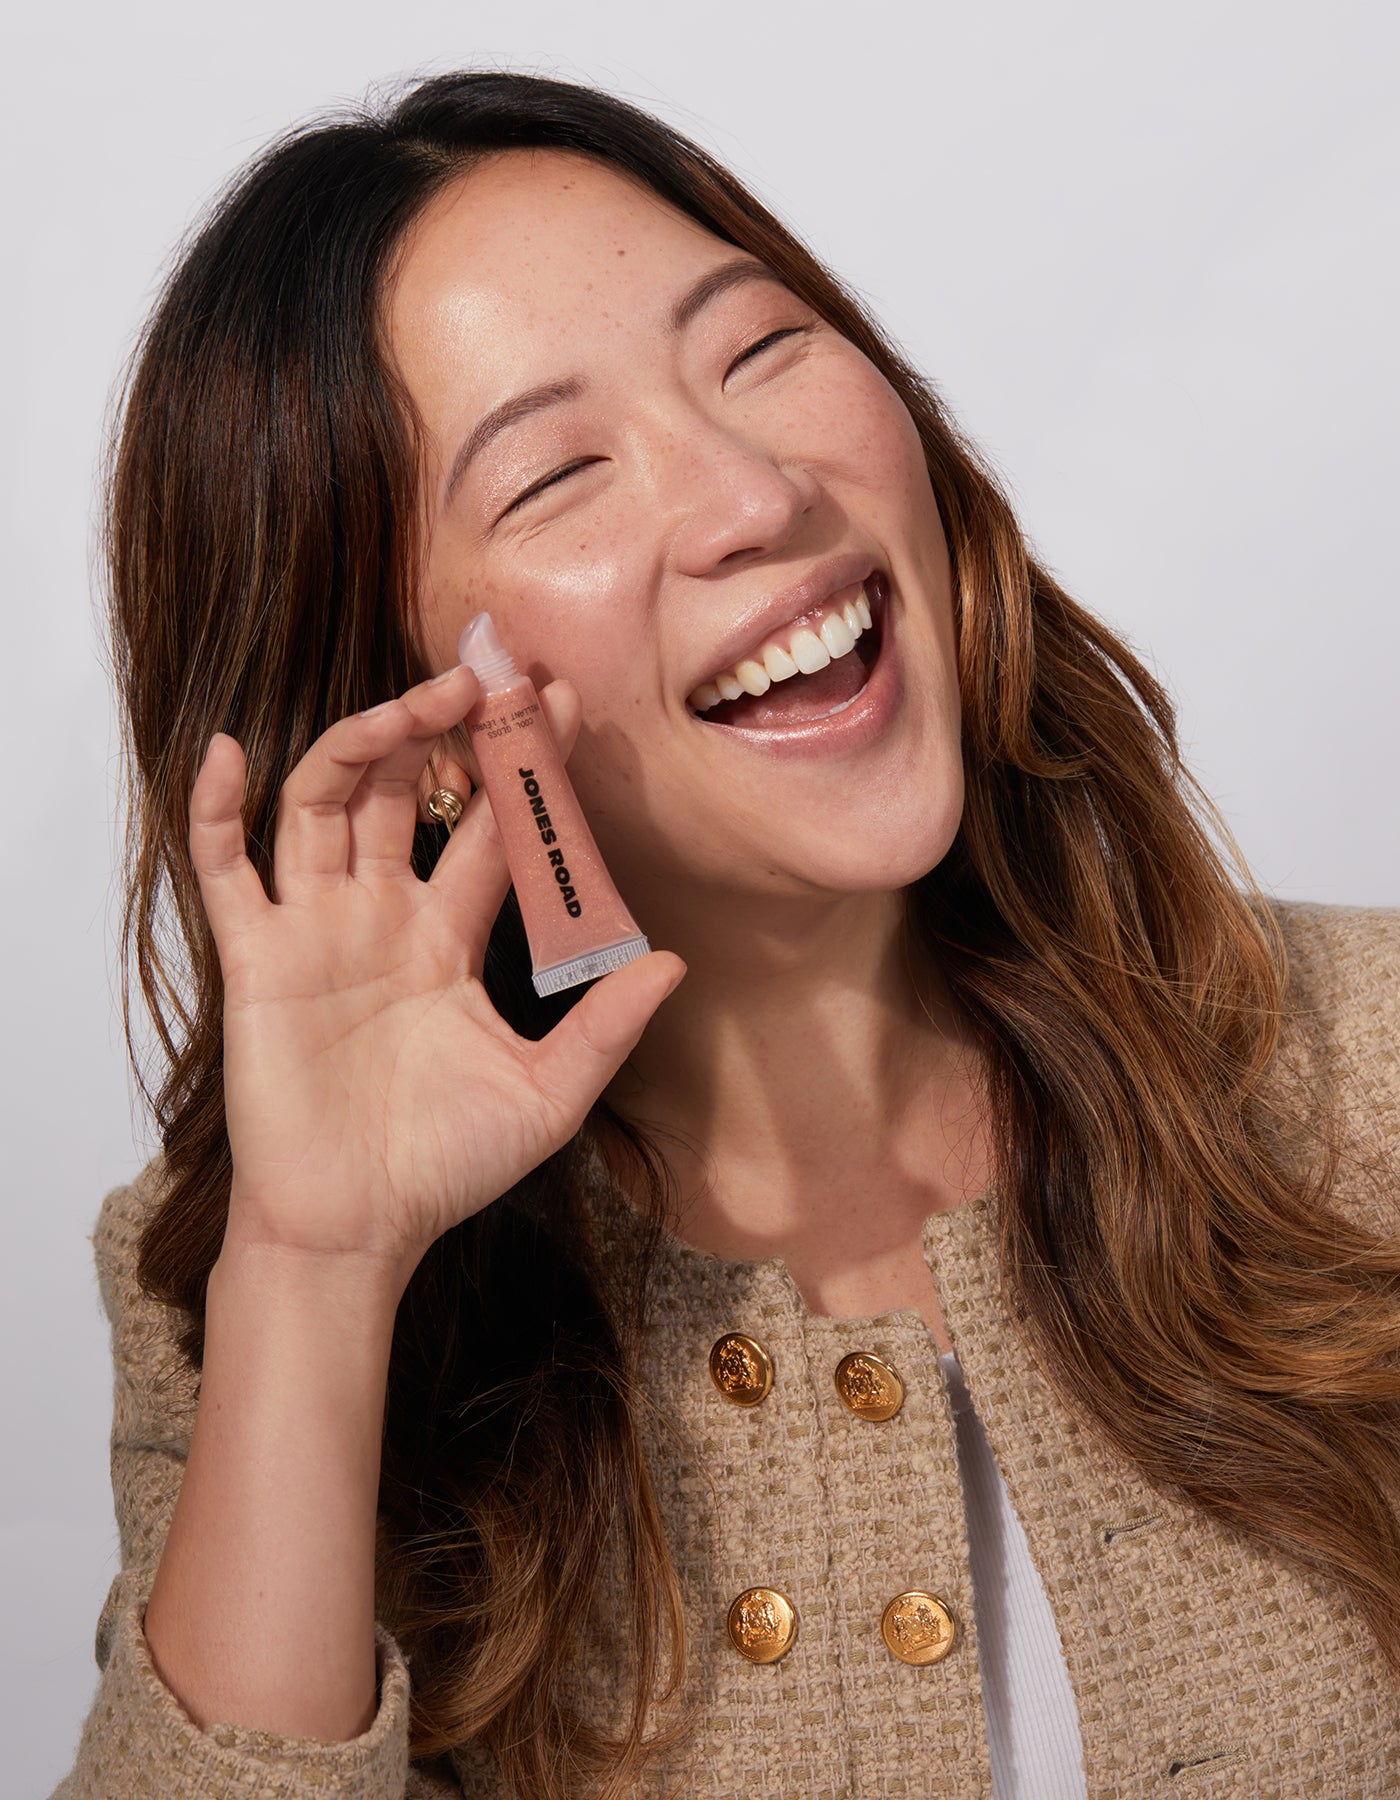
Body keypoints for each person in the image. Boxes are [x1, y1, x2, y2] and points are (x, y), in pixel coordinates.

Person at [54, 70, 1400, 1800]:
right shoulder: (240, 1292)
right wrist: (318, 1282)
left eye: (758, 349)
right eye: (554, 476)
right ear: (424, 728)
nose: (756, 489)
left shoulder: (1369, 1066)